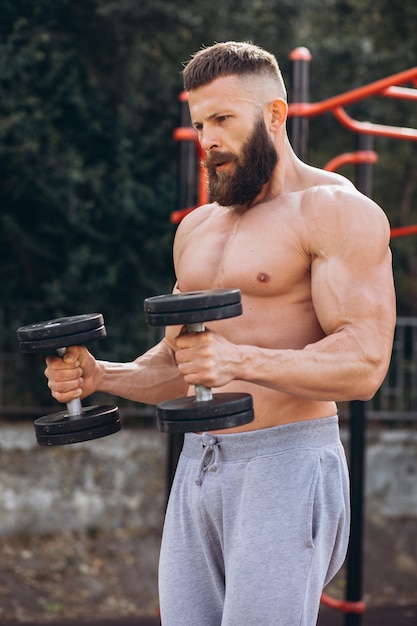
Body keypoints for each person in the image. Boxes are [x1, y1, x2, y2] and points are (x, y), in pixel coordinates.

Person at [45, 42, 396, 625]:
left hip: (285, 462)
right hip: (201, 462)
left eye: (224, 120)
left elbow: (364, 364)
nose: (208, 139)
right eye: (200, 123)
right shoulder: (197, 230)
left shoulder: (335, 211)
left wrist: (239, 360)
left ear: (276, 115)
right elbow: (177, 365)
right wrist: (102, 375)